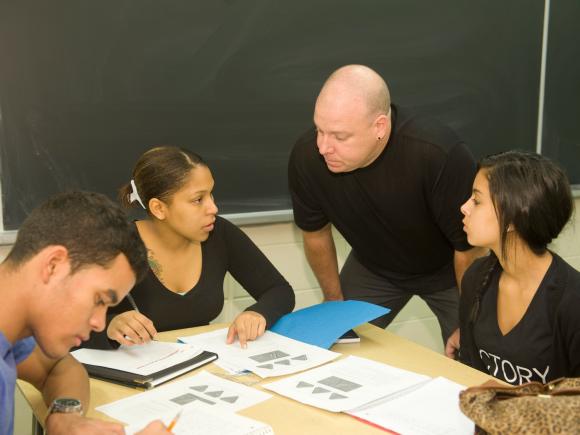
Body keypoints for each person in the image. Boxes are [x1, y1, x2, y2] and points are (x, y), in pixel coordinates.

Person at [288, 64, 485, 345]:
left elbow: (469, 248)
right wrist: (334, 303)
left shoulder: (436, 154)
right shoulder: (308, 157)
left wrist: (469, 320)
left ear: (379, 126)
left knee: (474, 352)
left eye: (340, 136)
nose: (323, 147)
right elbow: (315, 233)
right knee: (335, 342)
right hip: (374, 268)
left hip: (450, 270)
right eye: (320, 130)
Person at [82, 146, 295, 351]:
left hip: (203, 368)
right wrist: (110, 325)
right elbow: (67, 327)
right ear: (159, 208)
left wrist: (258, 313)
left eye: (211, 195)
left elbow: (279, 290)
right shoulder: (116, 246)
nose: (213, 208)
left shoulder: (219, 233)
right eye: (198, 200)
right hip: (136, 375)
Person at [0, 191, 167, 435]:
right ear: (54, 264)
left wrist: (65, 417)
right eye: (99, 300)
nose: (99, 324)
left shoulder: (12, 333)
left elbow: (58, 368)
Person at [450, 151, 580, 385]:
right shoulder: (477, 277)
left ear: (513, 219)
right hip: (489, 417)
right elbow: (472, 374)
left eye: (477, 201)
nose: (464, 207)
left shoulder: (572, 301)